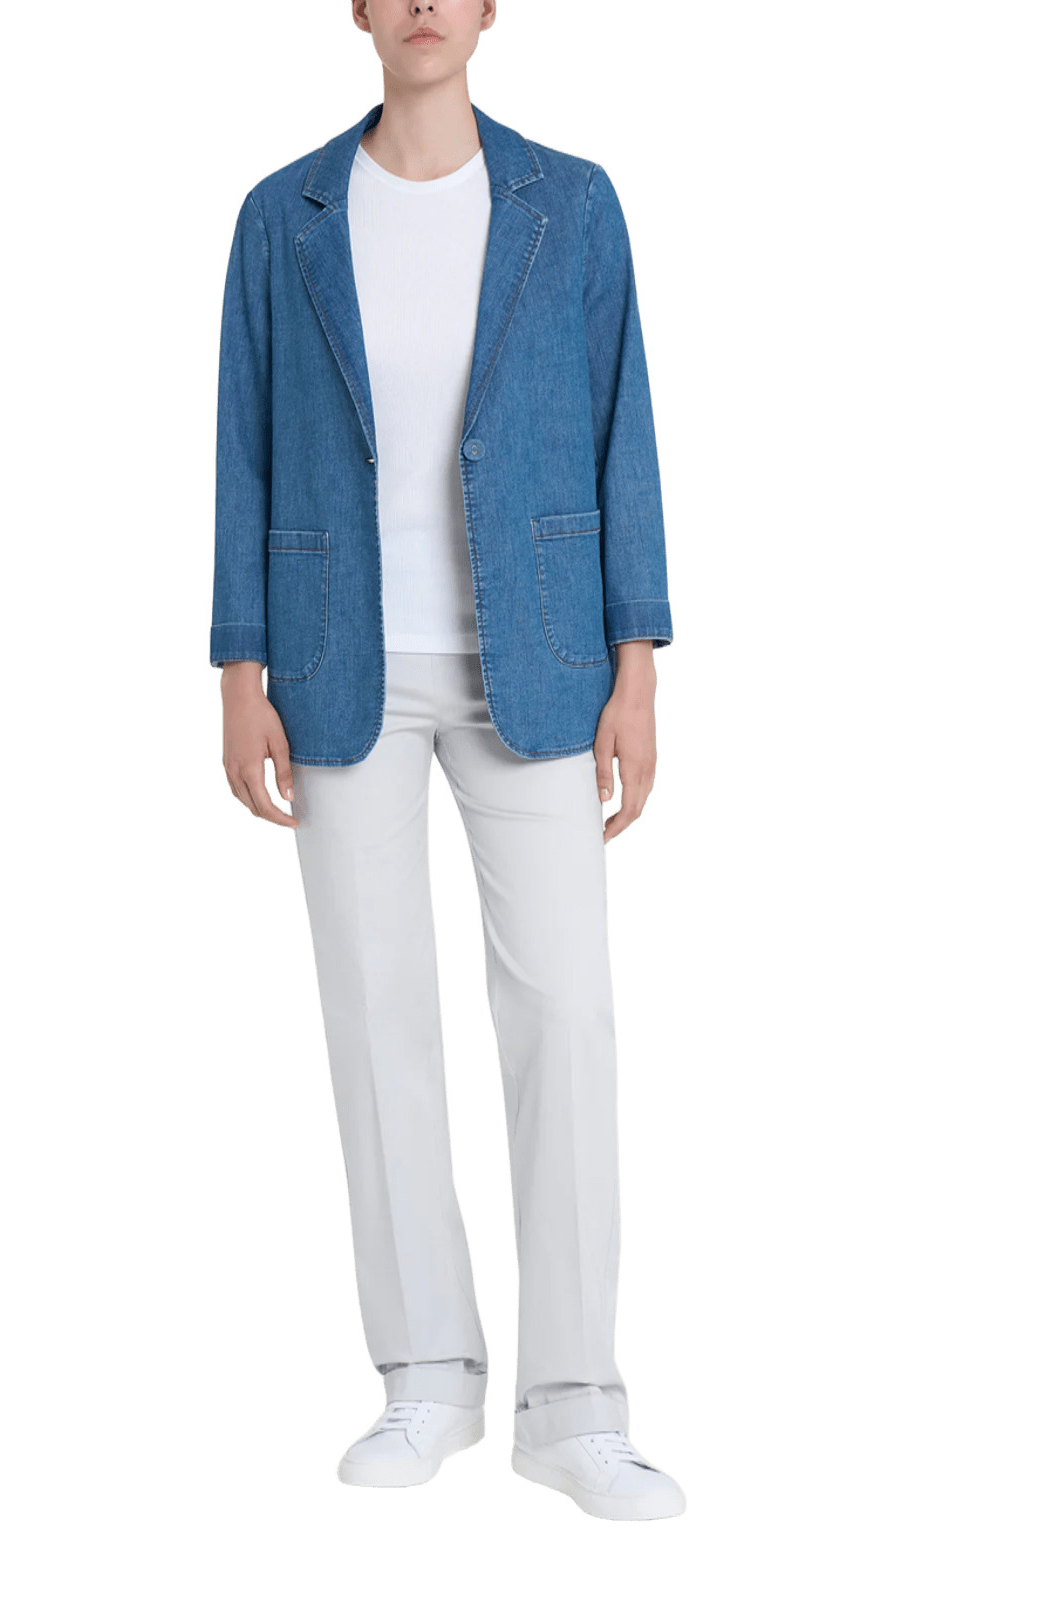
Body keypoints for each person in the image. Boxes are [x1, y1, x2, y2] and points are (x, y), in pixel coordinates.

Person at [211, 0, 684, 1521]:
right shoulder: (282, 217)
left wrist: (639, 662)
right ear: (357, 8)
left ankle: (575, 1407)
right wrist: (237, 669)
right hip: (336, 656)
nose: (421, 2)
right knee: (378, 1022)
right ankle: (425, 1374)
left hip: (536, 659)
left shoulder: (573, 202)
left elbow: (622, 431)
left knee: (567, 1018)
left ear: (487, 10)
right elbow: (243, 445)